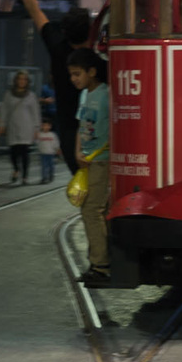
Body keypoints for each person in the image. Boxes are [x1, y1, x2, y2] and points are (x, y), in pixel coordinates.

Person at [2, 0, 99, 176]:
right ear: (89, 34)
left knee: (81, 184)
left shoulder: (57, 45)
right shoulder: (95, 55)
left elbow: (33, 8)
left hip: (66, 127)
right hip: (96, 128)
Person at [71, 49, 113, 286]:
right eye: (72, 75)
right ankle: (98, 262)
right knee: (93, 210)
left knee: (91, 211)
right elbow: (81, 127)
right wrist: (78, 151)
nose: (74, 79)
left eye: (77, 74)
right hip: (88, 162)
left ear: (92, 72)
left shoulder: (106, 94)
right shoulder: (84, 95)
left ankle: (101, 265)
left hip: (102, 160)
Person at [0, 69, 40, 186]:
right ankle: (16, 169)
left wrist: (36, 128)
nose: (22, 81)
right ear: (16, 80)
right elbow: (4, 110)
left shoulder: (31, 96)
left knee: (24, 152)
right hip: (13, 126)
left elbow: (35, 112)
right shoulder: (8, 95)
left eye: (24, 79)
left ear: (27, 81)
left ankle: (25, 177)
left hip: (27, 127)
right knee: (13, 152)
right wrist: (2, 125)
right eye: (19, 79)